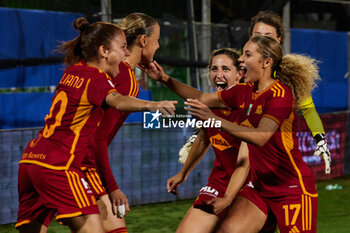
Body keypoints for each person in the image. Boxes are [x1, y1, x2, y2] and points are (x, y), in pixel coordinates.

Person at [15, 17, 176, 233]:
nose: (126, 53)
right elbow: (115, 101)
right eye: (122, 48)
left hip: (30, 161)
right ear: (104, 51)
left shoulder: (72, 71)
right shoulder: (98, 78)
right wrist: (152, 104)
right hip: (61, 165)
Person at [143, 35, 319, 233]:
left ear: (267, 62)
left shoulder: (281, 94)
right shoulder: (244, 92)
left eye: (247, 54)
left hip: (290, 188)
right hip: (259, 187)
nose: (241, 59)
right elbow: (201, 97)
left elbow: (261, 137)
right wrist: (165, 79)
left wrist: (213, 119)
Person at [80, 12, 161, 233]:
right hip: (83, 164)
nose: (158, 46)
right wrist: (113, 187)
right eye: (157, 39)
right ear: (143, 41)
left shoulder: (109, 69)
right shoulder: (125, 77)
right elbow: (98, 137)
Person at [166, 48, 251, 233]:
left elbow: (245, 162)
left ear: (239, 74)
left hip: (252, 185)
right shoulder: (207, 105)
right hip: (220, 182)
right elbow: (204, 138)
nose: (218, 74)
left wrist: (164, 78)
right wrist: (183, 173)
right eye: (214, 68)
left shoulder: (249, 103)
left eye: (226, 69)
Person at [249, 11, 331, 174]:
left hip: (279, 159)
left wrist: (320, 139)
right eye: (257, 35)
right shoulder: (239, 69)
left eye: (268, 35)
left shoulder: (289, 73)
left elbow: (308, 109)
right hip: (245, 156)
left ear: (279, 39)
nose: (262, 40)